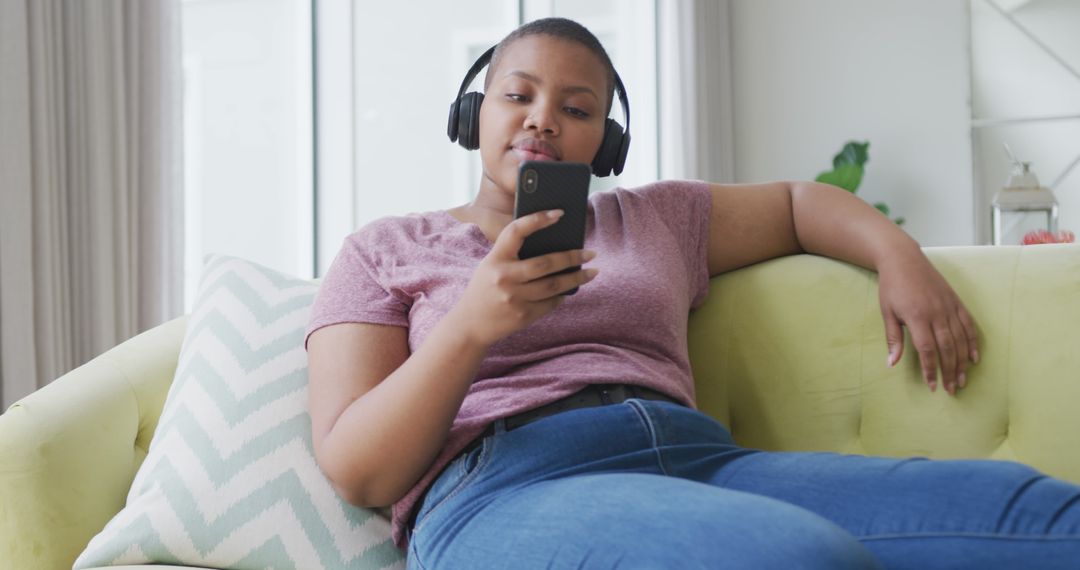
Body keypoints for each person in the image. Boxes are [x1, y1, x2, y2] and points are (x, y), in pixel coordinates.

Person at [304, 17, 1080, 569]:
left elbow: (796, 205)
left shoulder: (655, 219)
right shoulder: (386, 250)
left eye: (576, 109)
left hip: (693, 457)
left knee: (1038, 514)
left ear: (606, 143)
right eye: (518, 96)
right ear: (474, 115)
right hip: (503, 488)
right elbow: (357, 470)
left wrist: (898, 254)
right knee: (796, 558)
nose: (544, 121)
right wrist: (471, 327)